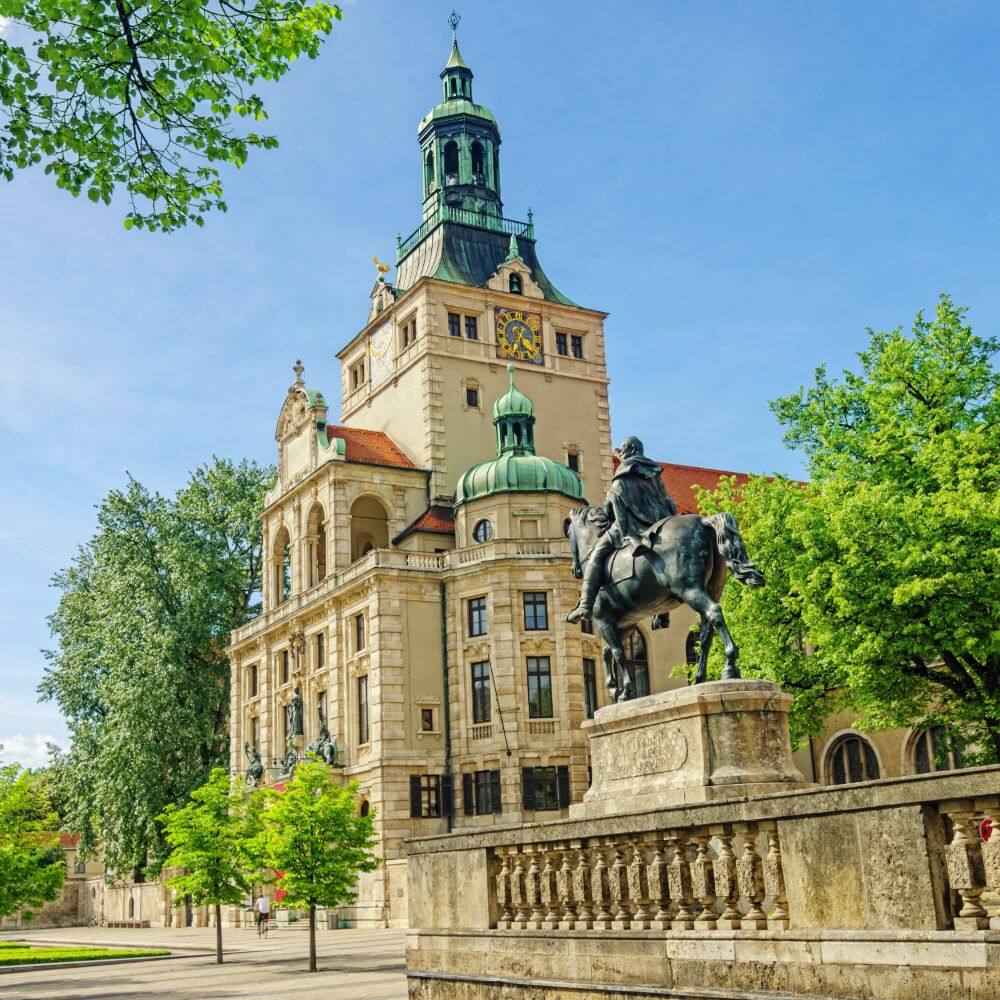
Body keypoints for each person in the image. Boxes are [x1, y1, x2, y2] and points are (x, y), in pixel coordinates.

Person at [566, 436, 676, 624]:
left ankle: (585, 604)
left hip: (630, 528)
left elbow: (611, 507)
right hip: (658, 526)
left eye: (623, 453)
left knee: (595, 557)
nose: (622, 457)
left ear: (630, 451)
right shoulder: (654, 474)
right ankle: (663, 612)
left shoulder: (623, 473)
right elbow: (670, 504)